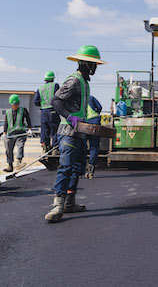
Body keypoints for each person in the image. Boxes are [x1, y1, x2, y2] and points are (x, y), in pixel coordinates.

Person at [45, 45, 107, 223]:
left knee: (78, 167)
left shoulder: (85, 83)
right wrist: (69, 117)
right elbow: (55, 101)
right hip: (68, 132)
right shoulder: (74, 80)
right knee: (66, 167)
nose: (95, 68)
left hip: (80, 132)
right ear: (84, 63)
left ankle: (70, 203)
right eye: (93, 64)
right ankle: (58, 205)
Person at [3, 94, 31, 172]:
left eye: (16, 104)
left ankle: (19, 162)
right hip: (11, 134)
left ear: (18, 103)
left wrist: (29, 129)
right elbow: (6, 123)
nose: (15, 106)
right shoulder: (8, 112)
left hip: (21, 133)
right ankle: (10, 165)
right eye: (13, 105)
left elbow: (28, 119)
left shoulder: (23, 110)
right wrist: (4, 133)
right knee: (8, 149)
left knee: (20, 146)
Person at [34, 71, 61, 154]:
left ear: (45, 79)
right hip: (53, 110)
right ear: (52, 79)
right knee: (55, 129)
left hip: (43, 112)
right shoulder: (55, 86)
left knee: (44, 130)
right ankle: (55, 149)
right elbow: (59, 97)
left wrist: (43, 104)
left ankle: (45, 147)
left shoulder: (40, 89)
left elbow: (36, 101)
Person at [84, 96, 103, 179]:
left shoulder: (77, 99)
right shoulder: (90, 97)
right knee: (94, 147)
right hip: (95, 122)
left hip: (83, 124)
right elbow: (99, 107)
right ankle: (91, 170)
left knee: (81, 147)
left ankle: (80, 170)